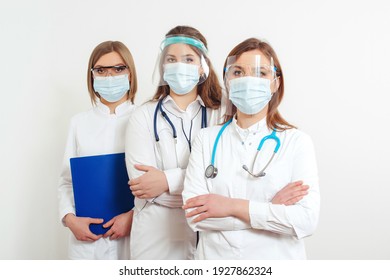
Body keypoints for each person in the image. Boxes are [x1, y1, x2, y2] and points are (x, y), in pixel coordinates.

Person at [182, 37, 320, 259]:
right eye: (238, 72)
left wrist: (231, 206)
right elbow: (195, 216)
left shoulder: (296, 142)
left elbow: (305, 220)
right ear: (227, 80)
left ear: (275, 82)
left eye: (260, 73)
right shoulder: (206, 139)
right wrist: (270, 208)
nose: (248, 80)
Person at [124, 25, 224, 260]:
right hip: (156, 236)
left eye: (188, 59)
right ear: (163, 67)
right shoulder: (143, 116)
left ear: (203, 67)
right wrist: (202, 186)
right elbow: (144, 188)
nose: (179, 65)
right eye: (171, 59)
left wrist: (166, 180)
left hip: (212, 233)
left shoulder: (221, 114)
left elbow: (226, 179)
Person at [58, 41, 138, 259]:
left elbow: (152, 184)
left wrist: (132, 217)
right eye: (101, 70)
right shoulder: (79, 123)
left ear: (130, 74)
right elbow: (66, 180)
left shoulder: (144, 120)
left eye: (118, 69)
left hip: (130, 239)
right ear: (92, 76)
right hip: (86, 241)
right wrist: (69, 219)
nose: (109, 76)